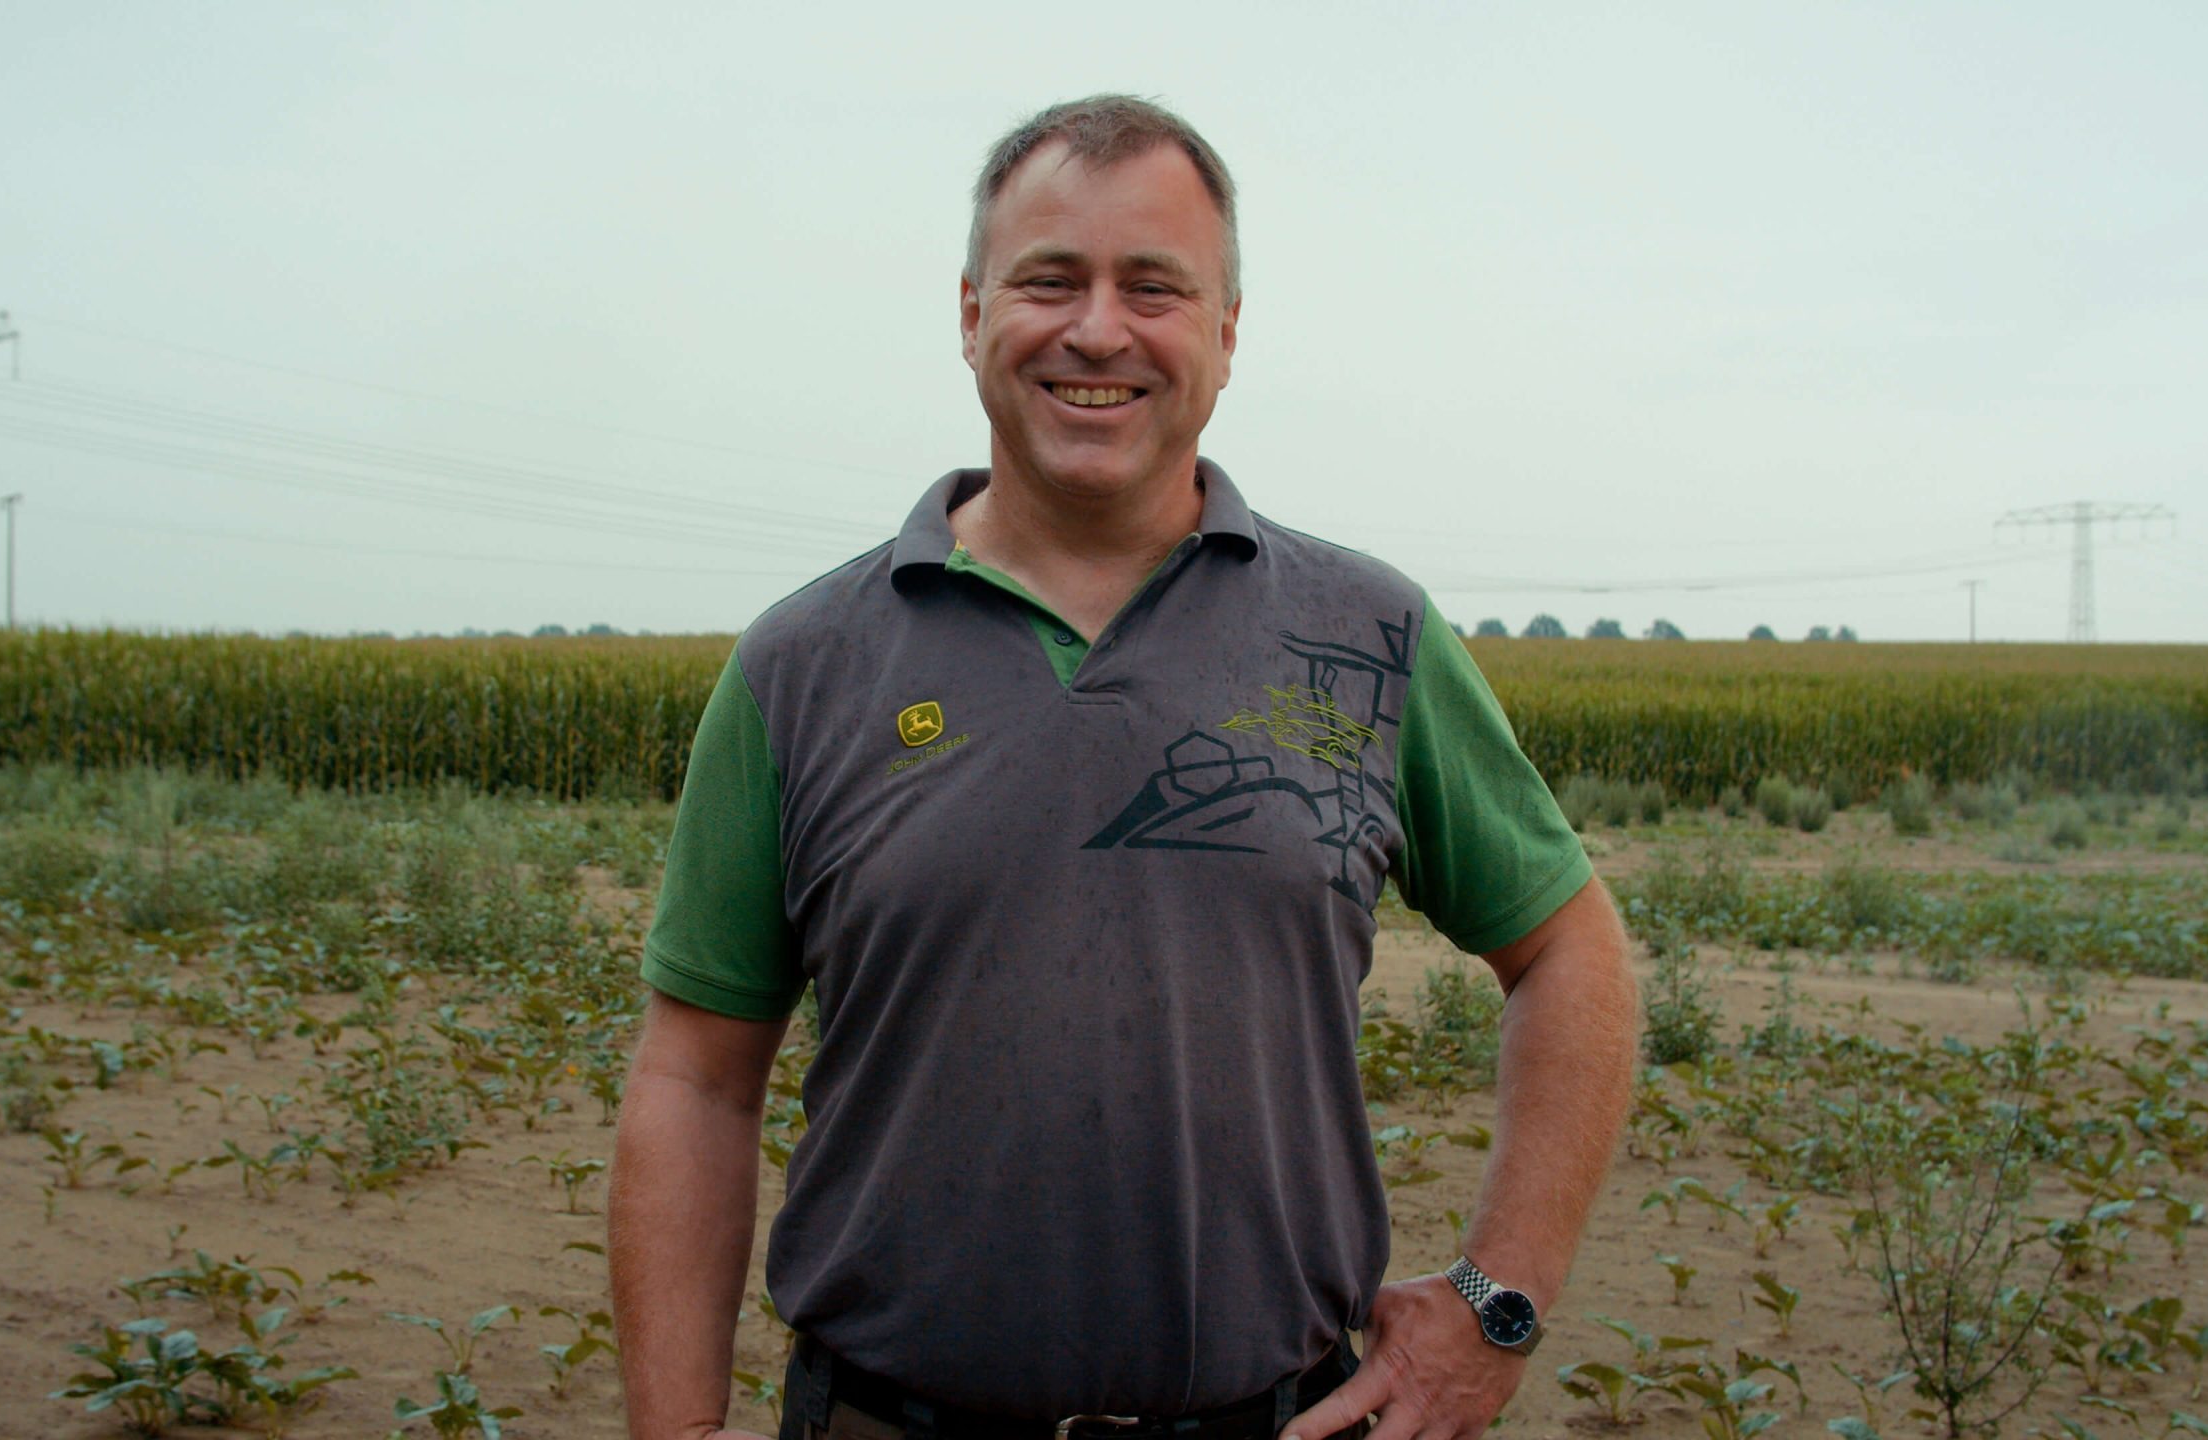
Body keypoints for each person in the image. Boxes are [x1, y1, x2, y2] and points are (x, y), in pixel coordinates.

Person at [608, 94, 1638, 1440]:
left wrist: (1498, 1304)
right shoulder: (804, 665)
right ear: (973, 313)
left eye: (1154, 288)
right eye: (1051, 281)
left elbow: (1573, 952)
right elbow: (695, 1078)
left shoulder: (1365, 637)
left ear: (1226, 334)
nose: (1098, 329)